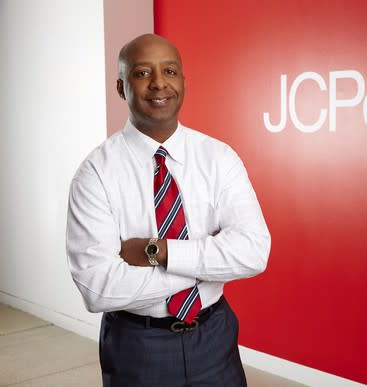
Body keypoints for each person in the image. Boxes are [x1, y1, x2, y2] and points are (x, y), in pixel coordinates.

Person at [66, 33, 270, 387]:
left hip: (214, 336)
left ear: (183, 82)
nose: (159, 83)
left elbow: (254, 253)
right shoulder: (95, 173)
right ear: (121, 86)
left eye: (170, 71)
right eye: (143, 73)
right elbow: (98, 288)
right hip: (138, 345)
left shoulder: (219, 158)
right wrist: (210, 263)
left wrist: (157, 252)